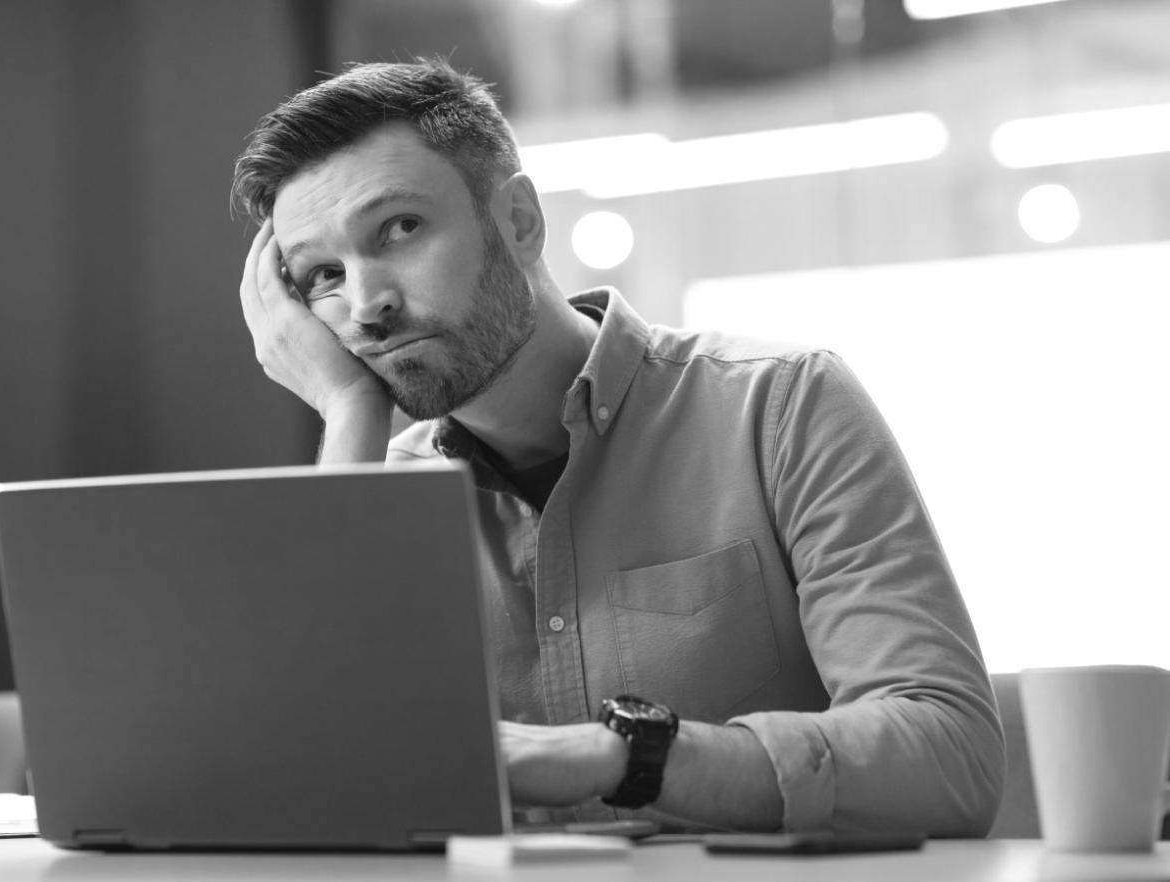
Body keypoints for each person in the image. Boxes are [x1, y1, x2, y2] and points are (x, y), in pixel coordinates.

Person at [232, 58, 1004, 835]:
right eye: (323, 275)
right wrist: (348, 411)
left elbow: (948, 757)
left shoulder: (779, 403)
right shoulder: (383, 496)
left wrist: (620, 756)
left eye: (399, 229)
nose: (367, 306)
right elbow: (316, 786)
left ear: (520, 221)